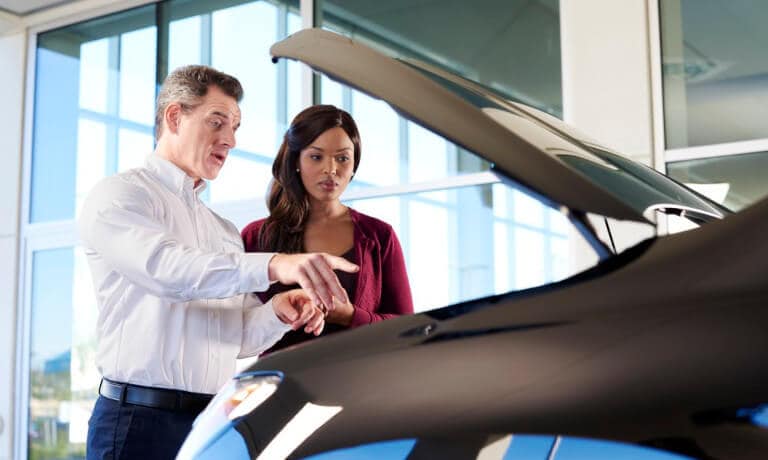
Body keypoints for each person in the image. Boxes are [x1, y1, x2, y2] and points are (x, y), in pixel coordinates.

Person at [79, 66, 357, 460]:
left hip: (213, 423)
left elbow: (239, 337)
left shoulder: (222, 230)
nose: (230, 139)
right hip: (137, 422)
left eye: (236, 126)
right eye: (217, 122)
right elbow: (170, 271)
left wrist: (279, 312)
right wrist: (277, 264)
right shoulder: (120, 196)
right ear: (175, 116)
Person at [241, 105, 413, 353]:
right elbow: (236, 327)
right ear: (296, 161)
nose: (331, 169)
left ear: (354, 165)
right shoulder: (255, 237)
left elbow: (406, 329)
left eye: (343, 158)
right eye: (316, 156)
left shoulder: (379, 236)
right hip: (282, 385)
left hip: (362, 385)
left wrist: (351, 315)